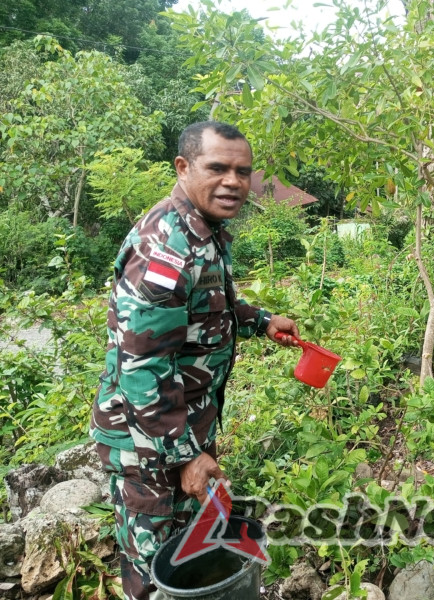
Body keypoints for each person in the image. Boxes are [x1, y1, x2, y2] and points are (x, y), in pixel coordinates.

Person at [90, 121, 300, 599]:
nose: (233, 182)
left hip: (182, 426)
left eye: (242, 171)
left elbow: (206, 310)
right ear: (183, 167)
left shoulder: (204, 231)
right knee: (157, 571)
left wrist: (263, 320)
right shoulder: (166, 248)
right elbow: (142, 365)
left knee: (191, 545)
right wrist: (183, 455)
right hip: (148, 442)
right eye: (218, 168)